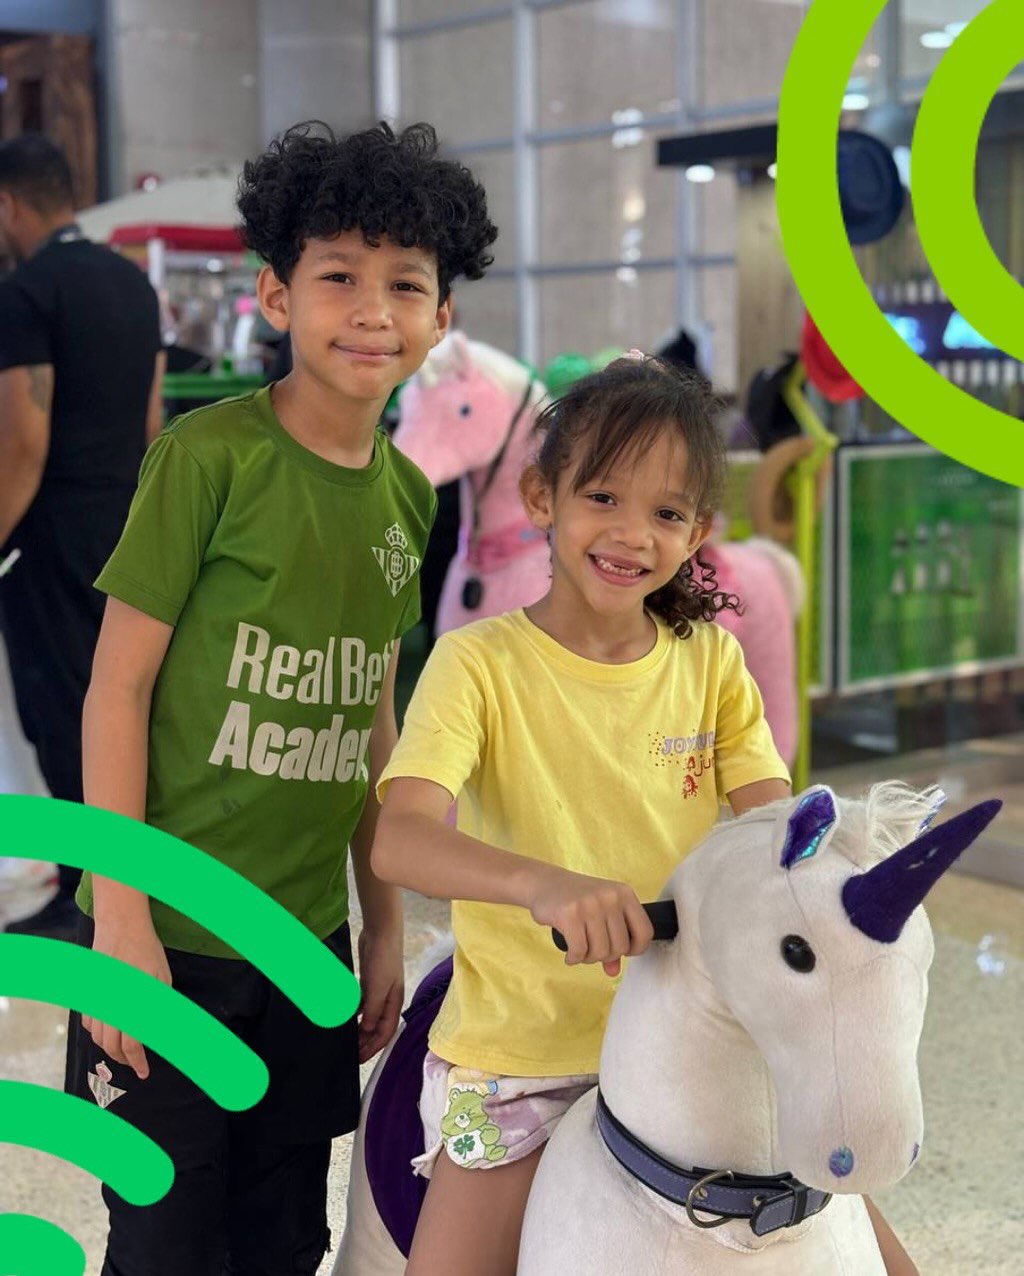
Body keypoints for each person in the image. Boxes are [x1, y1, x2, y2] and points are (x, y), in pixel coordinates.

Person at [369, 354, 918, 1276]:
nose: (632, 534)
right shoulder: (478, 665)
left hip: (698, 1043)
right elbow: (401, 838)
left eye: (667, 513)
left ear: (699, 530)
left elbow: (777, 841)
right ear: (543, 497)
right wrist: (541, 886)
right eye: (604, 498)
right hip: (525, 1052)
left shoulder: (710, 664)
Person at [63, 120, 498, 1276]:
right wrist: (117, 921)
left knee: (280, 1240)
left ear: (440, 320)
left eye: (405, 284)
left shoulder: (409, 498)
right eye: (338, 276)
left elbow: (372, 718)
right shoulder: (209, 461)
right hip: (172, 942)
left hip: (306, 948)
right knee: (164, 1238)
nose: (372, 309)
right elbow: (116, 689)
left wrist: (386, 919)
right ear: (275, 294)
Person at [0, 134, 164, 937]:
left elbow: (22, 444)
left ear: (9, 204)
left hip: (50, 533)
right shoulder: (132, 285)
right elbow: (151, 420)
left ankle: (83, 897)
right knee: (127, 706)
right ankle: (124, 881)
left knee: (60, 709)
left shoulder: (26, 293)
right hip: (128, 523)